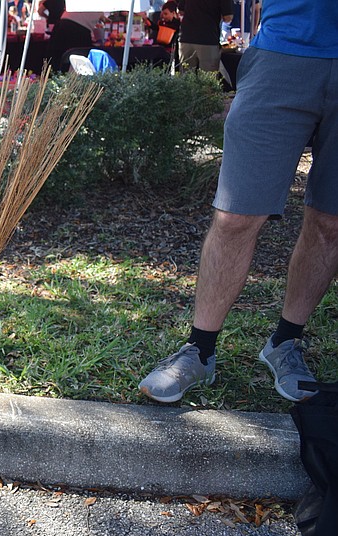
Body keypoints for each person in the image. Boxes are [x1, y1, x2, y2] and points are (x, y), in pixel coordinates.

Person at [139, 0, 338, 404]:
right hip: (283, 54)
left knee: (331, 221)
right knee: (234, 215)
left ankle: (284, 342)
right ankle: (200, 350)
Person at [177, 0, 233, 71]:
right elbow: (228, 17)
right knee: (207, 78)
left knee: (185, 77)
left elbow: (180, 11)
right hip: (208, 38)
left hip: (187, 37)